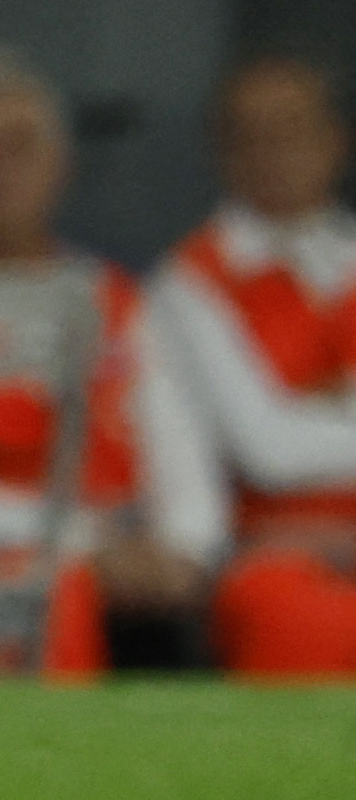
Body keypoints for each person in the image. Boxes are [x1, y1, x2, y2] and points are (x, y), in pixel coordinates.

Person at [0, 49, 199, 672]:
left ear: (61, 165)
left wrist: (180, 553)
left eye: (17, 149)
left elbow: (184, 465)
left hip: (129, 572)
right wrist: (91, 546)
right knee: (44, 584)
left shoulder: (115, 299)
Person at [132, 57, 356, 676]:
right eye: (249, 137)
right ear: (221, 153)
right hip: (266, 557)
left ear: (335, 141)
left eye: (289, 131)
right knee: (304, 622)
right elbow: (269, 451)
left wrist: (313, 420)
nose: (271, 154)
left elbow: (286, 435)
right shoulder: (186, 284)